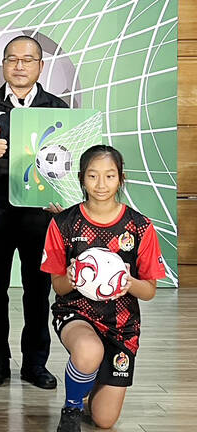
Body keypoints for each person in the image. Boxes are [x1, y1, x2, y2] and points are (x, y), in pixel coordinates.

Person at [0, 34, 68, 389]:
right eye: (12, 59)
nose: (19, 66)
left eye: (27, 59)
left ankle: (35, 364)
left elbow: (70, 159)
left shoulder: (57, 108)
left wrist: (63, 198)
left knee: (38, 292)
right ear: (3, 65)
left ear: (40, 66)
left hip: (40, 215)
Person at [41, 145, 165, 432]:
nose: (101, 184)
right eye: (93, 175)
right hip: (76, 313)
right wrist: (72, 278)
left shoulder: (140, 226)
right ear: (82, 178)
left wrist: (129, 282)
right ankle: (72, 407)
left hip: (121, 325)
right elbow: (58, 287)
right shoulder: (64, 223)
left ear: (121, 179)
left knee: (104, 420)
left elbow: (149, 291)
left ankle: (89, 376)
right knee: (88, 350)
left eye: (109, 176)